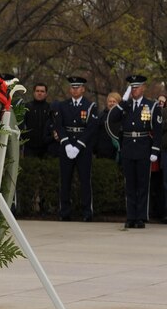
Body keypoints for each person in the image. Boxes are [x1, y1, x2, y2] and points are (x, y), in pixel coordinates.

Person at [106, 75, 163, 228]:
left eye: (137, 87)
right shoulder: (126, 105)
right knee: (130, 184)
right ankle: (131, 216)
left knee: (143, 185)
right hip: (128, 148)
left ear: (143, 88)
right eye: (132, 87)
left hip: (144, 147)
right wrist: (122, 102)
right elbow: (112, 119)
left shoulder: (151, 106)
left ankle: (141, 217)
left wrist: (155, 150)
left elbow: (157, 131)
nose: (134, 90)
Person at [52, 76, 98, 222]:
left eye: (78, 87)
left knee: (85, 180)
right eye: (73, 87)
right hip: (66, 147)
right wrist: (66, 143)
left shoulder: (90, 106)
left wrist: (78, 146)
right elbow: (59, 125)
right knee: (65, 180)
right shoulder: (62, 105)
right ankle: (64, 211)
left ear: (83, 89)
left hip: (83, 148)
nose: (75, 90)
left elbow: (91, 128)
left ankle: (87, 212)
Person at [21, 83, 56, 157]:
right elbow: (21, 125)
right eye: (37, 91)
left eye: (42, 91)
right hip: (30, 147)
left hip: (47, 148)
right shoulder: (27, 107)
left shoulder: (51, 108)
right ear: (34, 93)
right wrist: (25, 138)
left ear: (46, 94)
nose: (39, 93)